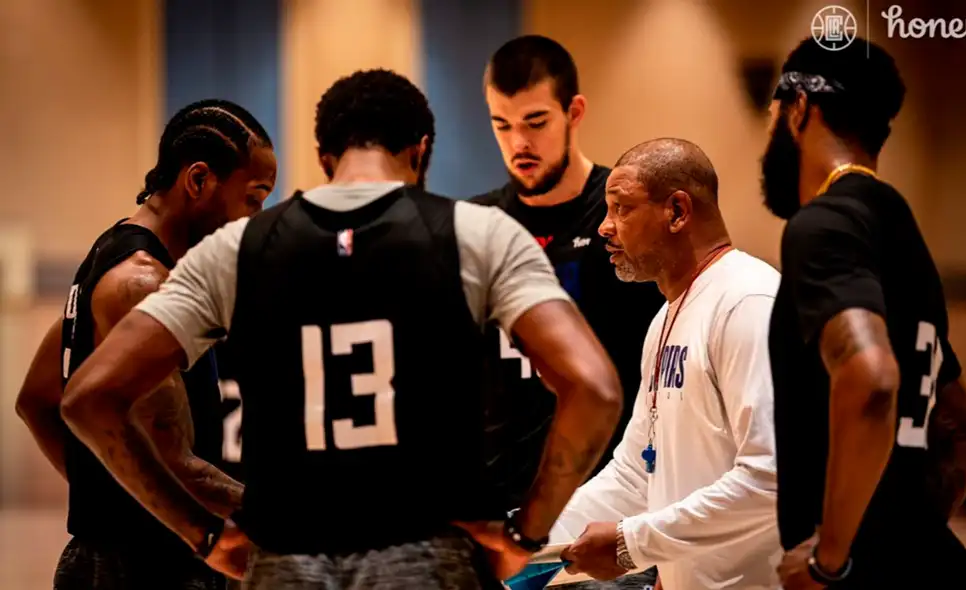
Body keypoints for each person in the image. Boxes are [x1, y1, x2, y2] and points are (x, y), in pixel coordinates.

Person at [59, 68, 625, 589]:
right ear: (420, 149)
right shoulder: (480, 234)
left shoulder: (233, 249)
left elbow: (88, 398)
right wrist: (527, 533)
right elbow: (594, 389)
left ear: (324, 157)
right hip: (429, 557)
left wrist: (201, 534)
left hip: (286, 560)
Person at [14, 99, 277, 589]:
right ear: (198, 180)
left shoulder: (109, 257)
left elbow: (35, 399)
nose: (254, 219)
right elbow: (176, 462)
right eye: (253, 198)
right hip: (143, 568)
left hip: (126, 556)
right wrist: (294, 516)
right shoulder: (141, 283)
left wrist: (115, 485)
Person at [760, 37, 966, 590]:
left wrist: (830, 560)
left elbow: (872, 380)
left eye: (773, 113)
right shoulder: (900, 227)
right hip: (935, 567)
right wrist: (912, 534)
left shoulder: (823, 225)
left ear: (799, 108)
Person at [472, 35, 663, 588]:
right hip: (501, 519)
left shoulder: (622, 216)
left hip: (604, 524)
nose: (519, 143)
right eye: (502, 125)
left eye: (536, 122)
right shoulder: (475, 225)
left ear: (573, 112)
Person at [550, 138, 781, 590]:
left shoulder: (748, 301)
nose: (604, 228)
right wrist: (525, 538)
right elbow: (636, 473)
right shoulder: (665, 319)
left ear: (677, 212)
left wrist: (631, 543)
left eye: (621, 209)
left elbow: (770, 478)